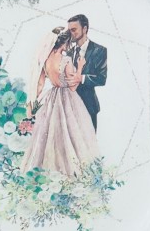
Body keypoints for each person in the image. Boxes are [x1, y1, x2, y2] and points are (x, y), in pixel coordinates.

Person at [20, 28, 99, 178]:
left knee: (50, 133)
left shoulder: (45, 59)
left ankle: (50, 169)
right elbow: (73, 86)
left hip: (51, 97)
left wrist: (33, 104)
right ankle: (70, 171)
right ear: (66, 42)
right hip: (67, 97)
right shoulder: (66, 60)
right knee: (70, 133)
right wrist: (80, 66)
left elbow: (40, 85)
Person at [65, 14, 107, 132]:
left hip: (88, 106)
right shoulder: (68, 52)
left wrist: (81, 78)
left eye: (74, 30)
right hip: (69, 108)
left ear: (84, 29)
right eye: (69, 30)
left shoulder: (99, 50)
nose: (71, 34)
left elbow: (102, 78)